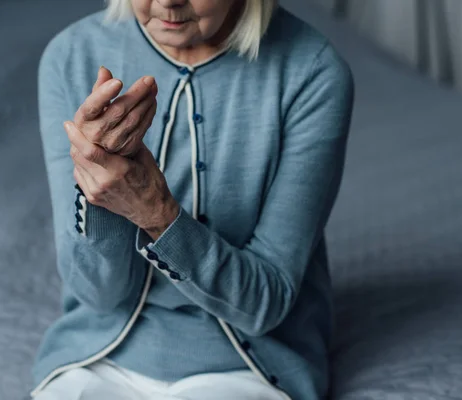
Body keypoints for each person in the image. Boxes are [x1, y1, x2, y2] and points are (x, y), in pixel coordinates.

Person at [32, 0, 354, 399]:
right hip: (98, 358)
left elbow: (263, 305)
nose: (167, 2)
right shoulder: (71, 55)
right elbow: (97, 294)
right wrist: (104, 197)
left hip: (247, 366)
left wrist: (156, 214)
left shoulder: (312, 71)